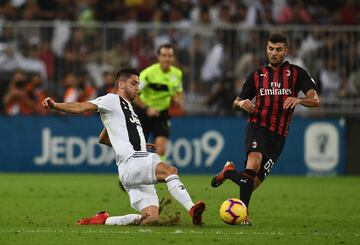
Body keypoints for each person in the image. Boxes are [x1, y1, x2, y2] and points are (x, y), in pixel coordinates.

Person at [42, 68, 205, 226]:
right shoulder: (111, 100)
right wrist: (55, 105)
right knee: (170, 171)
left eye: (138, 84)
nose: (138, 88)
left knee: (150, 219)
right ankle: (192, 209)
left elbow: (103, 138)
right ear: (121, 84)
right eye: (134, 83)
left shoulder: (129, 109)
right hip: (132, 164)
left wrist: (138, 144)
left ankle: (104, 220)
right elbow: (80, 107)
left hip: (133, 169)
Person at [210, 33, 320, 225]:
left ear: (286, 50)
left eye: (278, 49)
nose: (274, 53)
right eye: (270, 49)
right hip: (257, 125)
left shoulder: (297, 73)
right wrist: (242, 102)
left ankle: (228, 172)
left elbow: (315, 99)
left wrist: (299, 99)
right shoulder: (257, 75)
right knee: (253, 163)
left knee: (250, 183)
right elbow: (236, 102)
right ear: (266, 49)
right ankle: (244, 215)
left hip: (279, 135)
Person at [134, 43, 184, 161]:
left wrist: (178, 100)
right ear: (158, 57)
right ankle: (130, 175)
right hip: (143, 112)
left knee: (161, 147)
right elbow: (134, 95)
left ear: (173, 58)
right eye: (164, 55)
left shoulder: (177, 74)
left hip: (162, 113)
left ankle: (158, 174)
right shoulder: (148, 73)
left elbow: (179, 92)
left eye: (169, 56)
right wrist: (147, 108)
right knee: (139, 148)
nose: (167, 58)